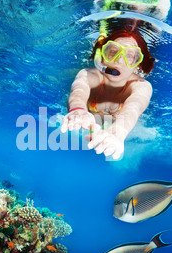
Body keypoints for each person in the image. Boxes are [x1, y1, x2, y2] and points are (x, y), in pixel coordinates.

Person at [60, 26, 155, 160]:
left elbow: (134, 107)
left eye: (130, 56)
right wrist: (77, 109)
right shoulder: (89, 75)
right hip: (90, 127)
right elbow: (79, 89)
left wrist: (118, 132)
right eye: (113, 52)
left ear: (137, 65)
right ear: (102, 56)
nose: (119, 61)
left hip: (120, 129)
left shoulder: (141, 86)